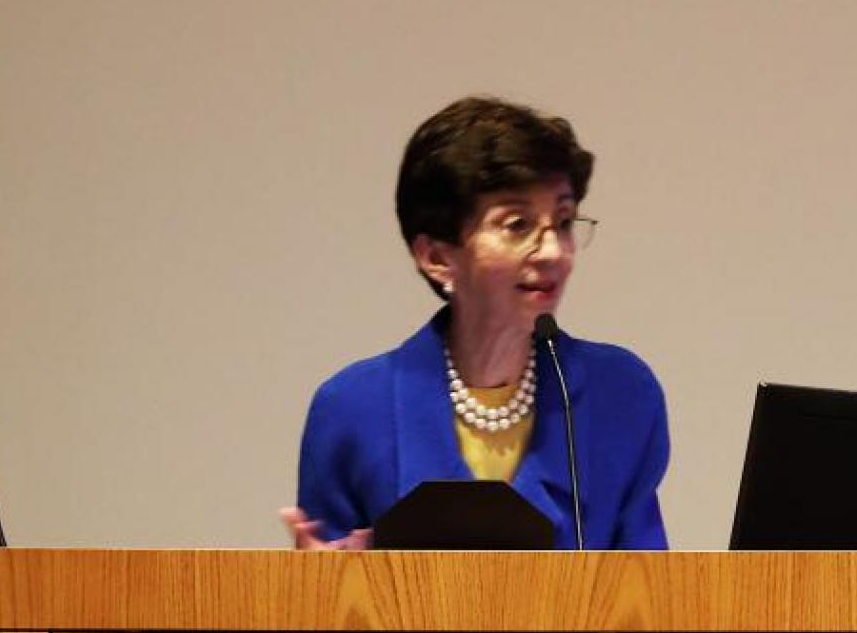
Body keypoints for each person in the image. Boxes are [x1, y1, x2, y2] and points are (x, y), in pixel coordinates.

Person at [281, 96, 669, 550]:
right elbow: (323, 607)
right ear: (437, 257)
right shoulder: (353, 409)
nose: (553, 252)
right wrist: (323, 595)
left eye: (563, 222)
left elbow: (649, 600)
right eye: (518, 224)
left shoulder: (620, 395)